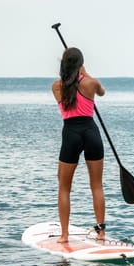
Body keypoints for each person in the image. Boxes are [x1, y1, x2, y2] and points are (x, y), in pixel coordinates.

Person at [51, 47, 107, 243]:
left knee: (64, 187)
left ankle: (64, 235)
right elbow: (102, 92)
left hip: (71, 134)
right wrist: (87, 74)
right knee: (97, 185)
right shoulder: (91, 83)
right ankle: (101, 232)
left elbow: (69, 95)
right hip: (91, 132)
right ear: (81, 65)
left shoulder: (57, 87)